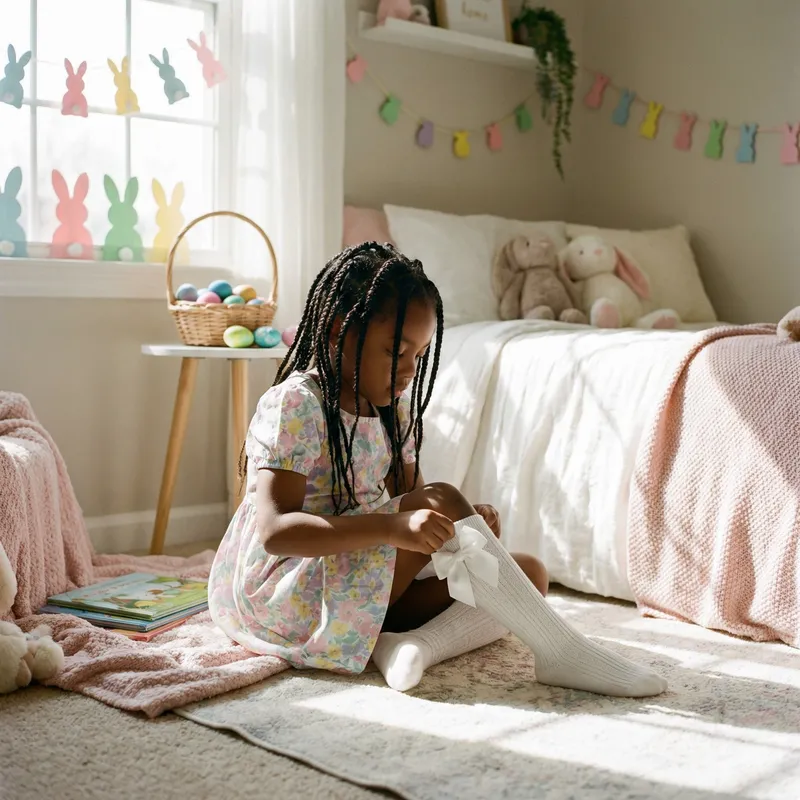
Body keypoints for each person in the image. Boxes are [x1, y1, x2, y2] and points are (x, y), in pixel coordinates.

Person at [208, 242, 667, 698]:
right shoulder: (297, 405)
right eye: (396, 352)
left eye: (419, 356)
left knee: (526, 575)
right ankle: (560, 650)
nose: (409, 370)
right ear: (337, 331)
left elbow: (412, 498)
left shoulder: (393, 409)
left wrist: (462, 528)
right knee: (455, 514)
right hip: (287, 590)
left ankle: (412, 646)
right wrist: (395, 526)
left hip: (357, 579)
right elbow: (276, 531)